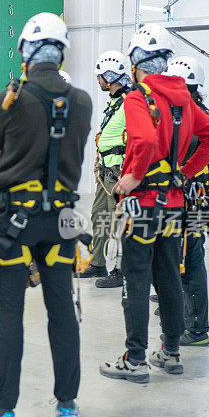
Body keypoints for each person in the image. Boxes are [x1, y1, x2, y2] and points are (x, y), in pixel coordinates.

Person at [0, 12, 92, 417]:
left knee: (10, 315)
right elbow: (69, 149)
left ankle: (3, 412)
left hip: (15, 223)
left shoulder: (10, 99)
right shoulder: (83, 101)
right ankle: (67, 406)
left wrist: (9, 159)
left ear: (26, 53)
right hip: (60, 222)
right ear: (61, 52)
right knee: (62, 312)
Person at [99, 25, 209, 383]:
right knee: (169, 275)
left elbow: (140, 141)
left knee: (136, 279)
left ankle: (135, 358)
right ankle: (171, 350)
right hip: (172, 205)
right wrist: (185, 172)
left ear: (137, 61)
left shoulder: (139, 98)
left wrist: (133, 176)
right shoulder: (183, 99)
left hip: (141, 205)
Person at [164, 55, 209, 346]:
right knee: (187, 258)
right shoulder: (198, 110)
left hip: (190, 200)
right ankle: (188, 317)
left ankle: (197, 328)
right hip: (197, 197)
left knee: (189, 260)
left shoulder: (187, 114)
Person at [81, 51, 132, 288]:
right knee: (99, 215)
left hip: (118, 171)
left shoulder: (130, 102)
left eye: (101, 76)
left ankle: (120, 270)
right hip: (106, 171)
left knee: (120, 222)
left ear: (112, 76)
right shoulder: (115, 102)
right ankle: (98, 262)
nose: (99, 80)